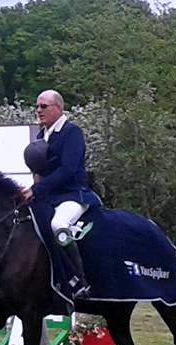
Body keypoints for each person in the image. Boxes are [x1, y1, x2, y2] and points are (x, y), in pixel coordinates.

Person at [21, 90, 102, 299]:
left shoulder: (72, 132)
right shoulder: (42, 135)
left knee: (58, 225)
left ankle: (78, 281)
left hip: (73, 194)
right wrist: (31, 188)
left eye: (43, 106)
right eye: (37, 106)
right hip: (49, 196)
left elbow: (68, 170)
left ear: (58, 108)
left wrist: (37, 189)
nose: (38, 110)